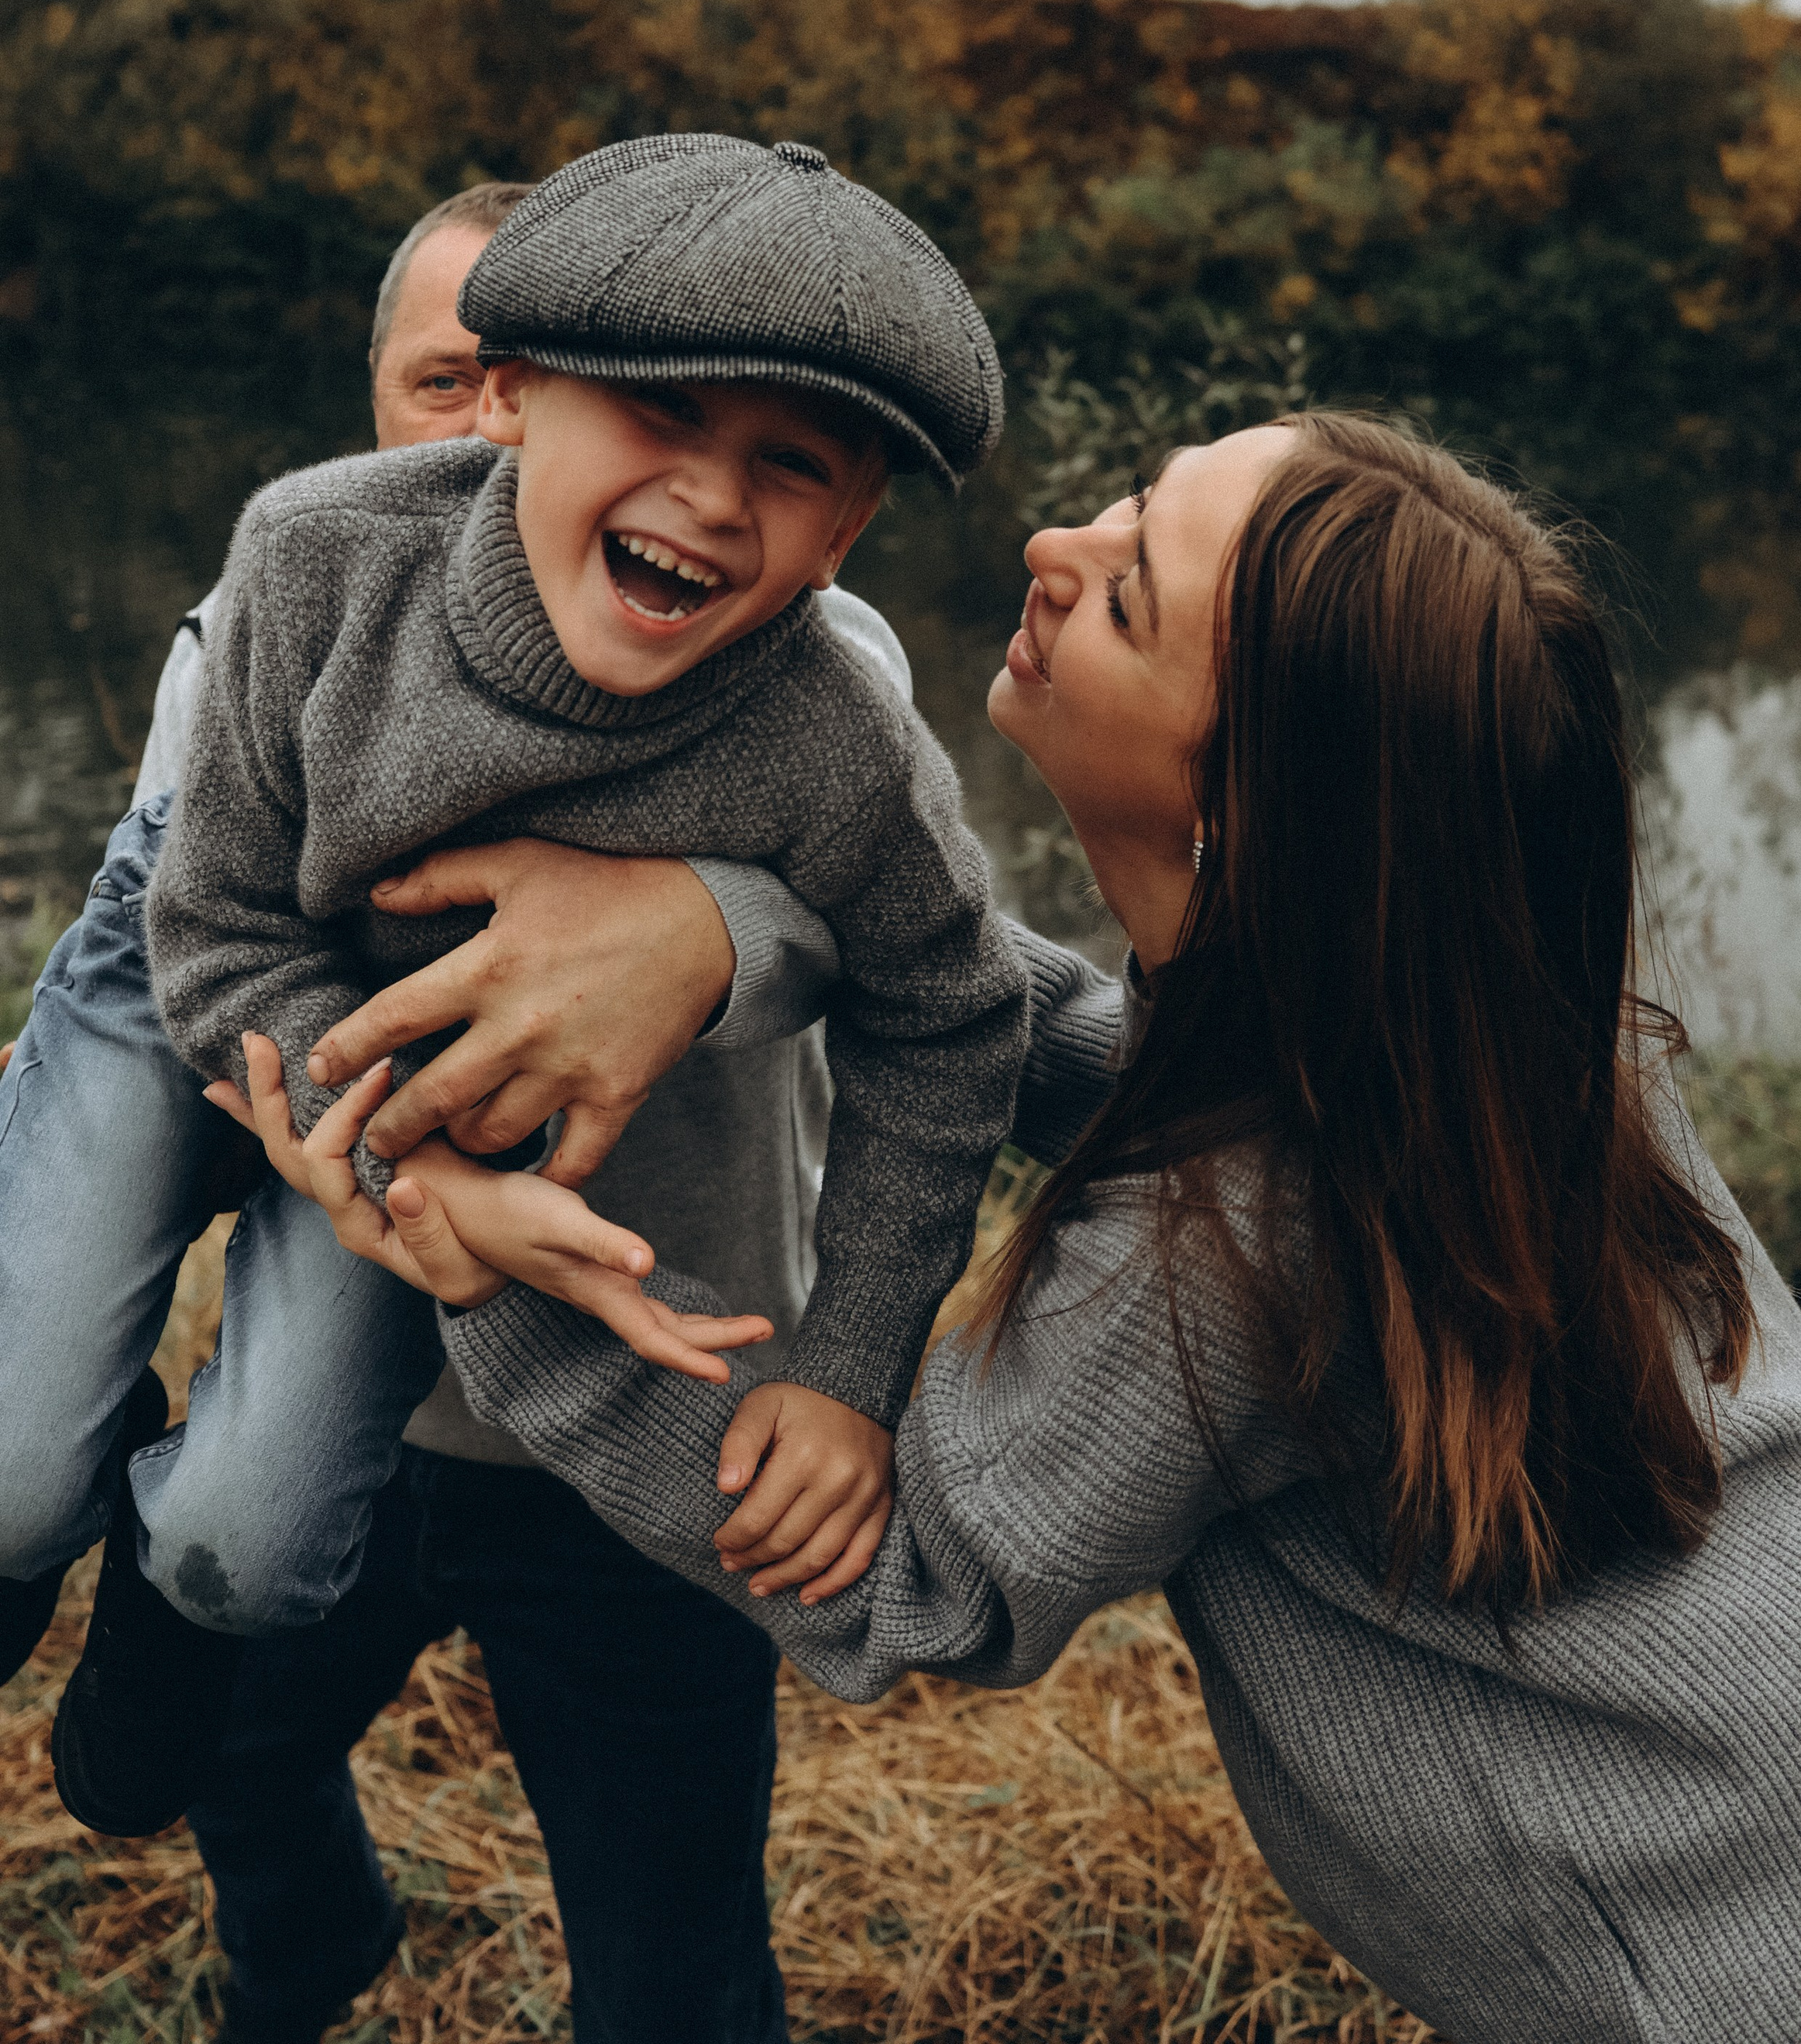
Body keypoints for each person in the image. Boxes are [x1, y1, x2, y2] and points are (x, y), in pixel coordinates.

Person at [249, 410, 1801, 2044]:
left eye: (1132, 592)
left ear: (1242, 803)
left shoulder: (1225, 1252)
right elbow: (1072, 1046)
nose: (1054, 546)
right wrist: (731, 918)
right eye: (1137, 500)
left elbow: (907, 1581)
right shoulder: (1493, 1033)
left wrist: (502, 1271)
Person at [0, 168, 1094, 2044]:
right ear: (482, 398)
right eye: (436, 381)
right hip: (370, 1349)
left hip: (640, 1421)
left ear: (845, 526)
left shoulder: (831, 704)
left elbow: (954, 992)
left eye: (787, 461)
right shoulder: (287, 596)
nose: (710, 496)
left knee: (672, 1957)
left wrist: (718, 944)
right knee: (230, 1696)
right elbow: (194, 963)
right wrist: (404, 1181)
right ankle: (297, 1955)